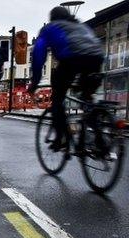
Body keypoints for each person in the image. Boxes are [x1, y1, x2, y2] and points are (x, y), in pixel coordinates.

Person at [28, 6, 104, 151]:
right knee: (87, 99)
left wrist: (35, 82)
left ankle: (60, 139)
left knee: (57, 99)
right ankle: (100, 141)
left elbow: (38, 55)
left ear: (52, 18)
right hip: (96, 58)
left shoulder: (50, 28)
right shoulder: (81, 26)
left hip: (72, 59)